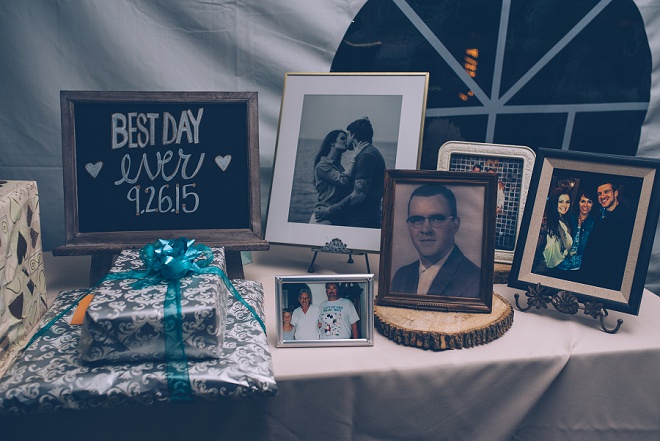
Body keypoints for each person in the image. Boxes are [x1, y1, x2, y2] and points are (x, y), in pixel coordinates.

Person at [390, 184, 481, 297]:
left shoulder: (475, 281)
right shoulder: (401, 277)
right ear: (409, 225)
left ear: (455, 225)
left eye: (437, 219)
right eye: (417, 219)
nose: (426, 229)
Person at [314, 117, 386, 228]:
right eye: (343, 138)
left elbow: (357, 196)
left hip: (362, 221)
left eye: (347, 135)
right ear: (332, 143)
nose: (346, 139)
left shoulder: (366, 156)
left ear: (353, 135)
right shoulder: (324, 166)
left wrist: (328, 211)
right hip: (340, 218)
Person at [578, 179, 635, 290]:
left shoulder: (626, 219)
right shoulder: (600, 215)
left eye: (606, 191)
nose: (602, 196)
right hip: (589, 275)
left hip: (606, 280)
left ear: (616, 193)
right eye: (600, 193)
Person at [309, 130, 355, 225]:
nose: (345, 141)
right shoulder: (322, 166)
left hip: (334, 216)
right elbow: (344, 180)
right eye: (342, 138)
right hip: (323, 218)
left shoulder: (338, 167)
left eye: (346, 139)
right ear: (332, 142)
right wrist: (356, 155)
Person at [533, 188, 573, 273]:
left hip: (556, 268)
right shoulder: (545, 220)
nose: (564, 205)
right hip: (541, 268)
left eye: (567, 202)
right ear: (554, 202)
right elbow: (534, 248)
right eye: (561, 201)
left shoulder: (565, 221)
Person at [555, 188, 596, 271]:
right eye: (583, 201)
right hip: (559, 264)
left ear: (593, 205)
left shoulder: (594, 224)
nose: (585, 205)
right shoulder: (568, 218)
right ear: (578, 203)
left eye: (589, 202)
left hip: (578, 268)